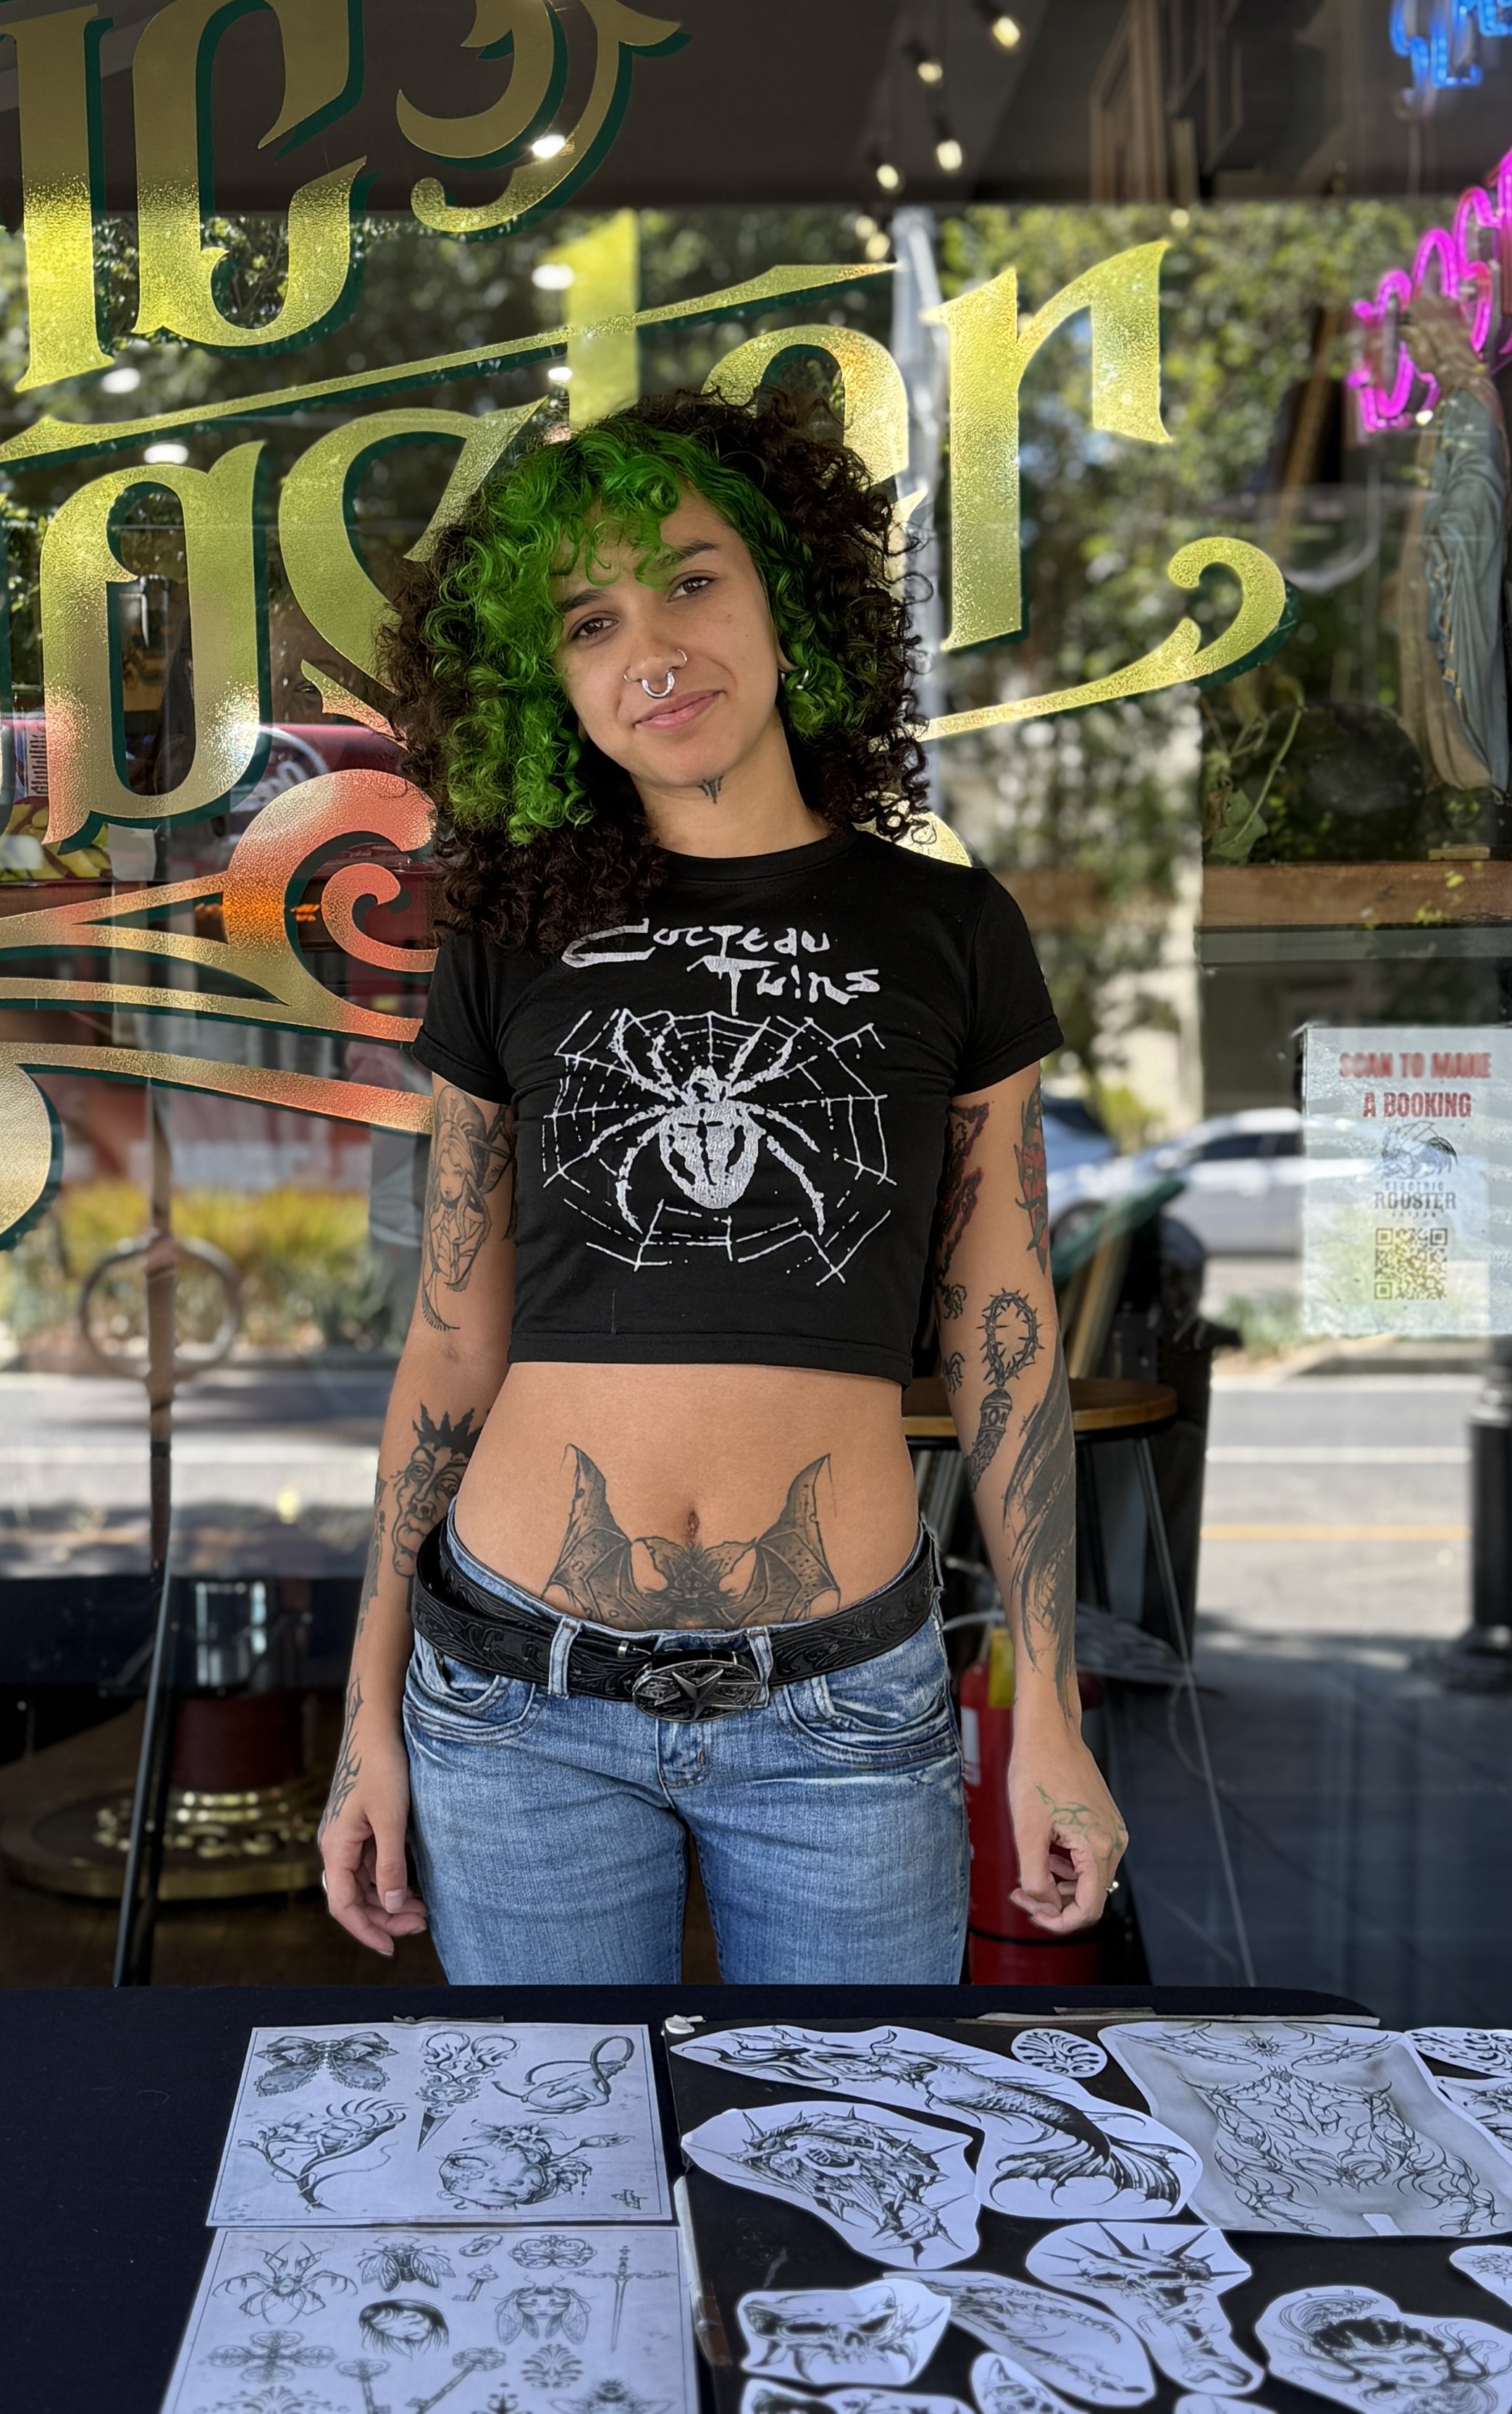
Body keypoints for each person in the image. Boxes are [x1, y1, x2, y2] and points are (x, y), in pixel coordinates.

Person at [316, 388, 1127, 1983]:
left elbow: (1002, 1329)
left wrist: (1048, 1708)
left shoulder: (945, 929)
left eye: (692, 580)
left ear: (787, 603)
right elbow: (450, 1344)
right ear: (549, 683)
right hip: (511, 1696)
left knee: (855, 2181)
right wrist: (366, 1721)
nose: (653, 650)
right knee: (566, 2192)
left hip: (842, 1698)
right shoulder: (506, 938)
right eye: (589, 620)